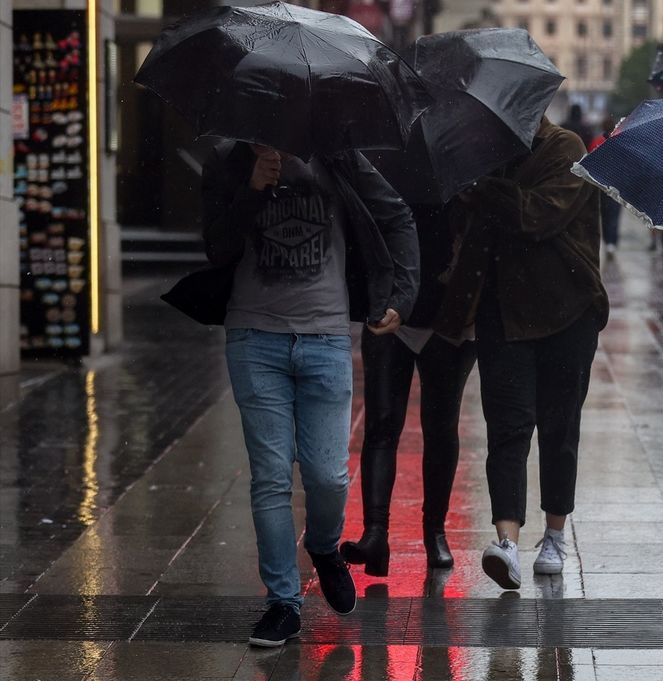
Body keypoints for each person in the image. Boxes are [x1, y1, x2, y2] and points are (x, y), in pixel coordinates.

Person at [202, 140, 419, 647]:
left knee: (328, 475)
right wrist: (252, 190)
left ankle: (323, 546)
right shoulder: (231, 161)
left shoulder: (339, 156)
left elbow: (397, 217)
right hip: (254, 338)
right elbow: (216, 246)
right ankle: (282, 602)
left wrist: (402, 296)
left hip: (325, 337)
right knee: (271, 478)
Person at [435, 116, 608, 591]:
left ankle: (554, 535)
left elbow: (538, 215)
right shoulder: (484, 155)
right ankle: (506, 542)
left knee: (559, 427)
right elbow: (462, 222)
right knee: (507, 428)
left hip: (567, 312)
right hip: (502, 312)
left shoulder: (564, 147)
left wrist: (483, 187)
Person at [340, 203, 477, 576]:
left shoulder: (465, 164)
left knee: (441, 426)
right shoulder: (384, 159)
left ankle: (435, 531)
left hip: (448, 314)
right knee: (381, 423)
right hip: (390, 309)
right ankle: (375, 534)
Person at [589, 115, 623, 252]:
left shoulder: (597, 141)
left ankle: (607, 240)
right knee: (614, 214)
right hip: (617, 184)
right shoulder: (621, 140)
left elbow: (590, 162)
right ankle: (612, 242)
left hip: (601, 185)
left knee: (604, 214)